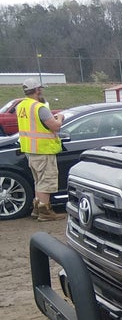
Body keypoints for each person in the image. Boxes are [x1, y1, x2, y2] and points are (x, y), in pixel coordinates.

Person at [16, 78, 65, 221]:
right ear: (37, 90)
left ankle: (37, 208)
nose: (41, 91)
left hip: (30, 150)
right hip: (43, 150)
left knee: (38, 181)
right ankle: (45, 211)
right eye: (40, 89)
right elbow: (55, 126)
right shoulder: (39, 107)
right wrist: (60, 117)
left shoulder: (21, 106)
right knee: (46, 181)